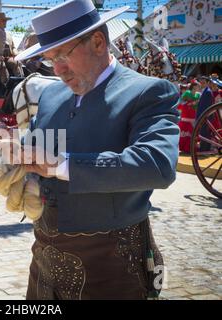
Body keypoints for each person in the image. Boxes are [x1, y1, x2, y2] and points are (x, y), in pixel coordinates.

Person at [14, 0, 180, 300]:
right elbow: (33, 154)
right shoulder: (51, 95)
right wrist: (10, 160)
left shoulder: (147, 92)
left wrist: (59, 165)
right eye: (51, 59)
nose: (58, 70)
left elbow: (158, 165)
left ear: (99, 42)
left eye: (63, 56)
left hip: (113, 268)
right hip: (43, 268)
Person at [0, 12, 24, 85]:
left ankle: (20, 82)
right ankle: (6, 85)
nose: (5, 22)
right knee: (2, 66)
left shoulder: (9, 34)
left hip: (8, 57)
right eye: (3, 21)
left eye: (5, 20)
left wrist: (16, 53)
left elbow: (13, 47)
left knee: (16, 63)